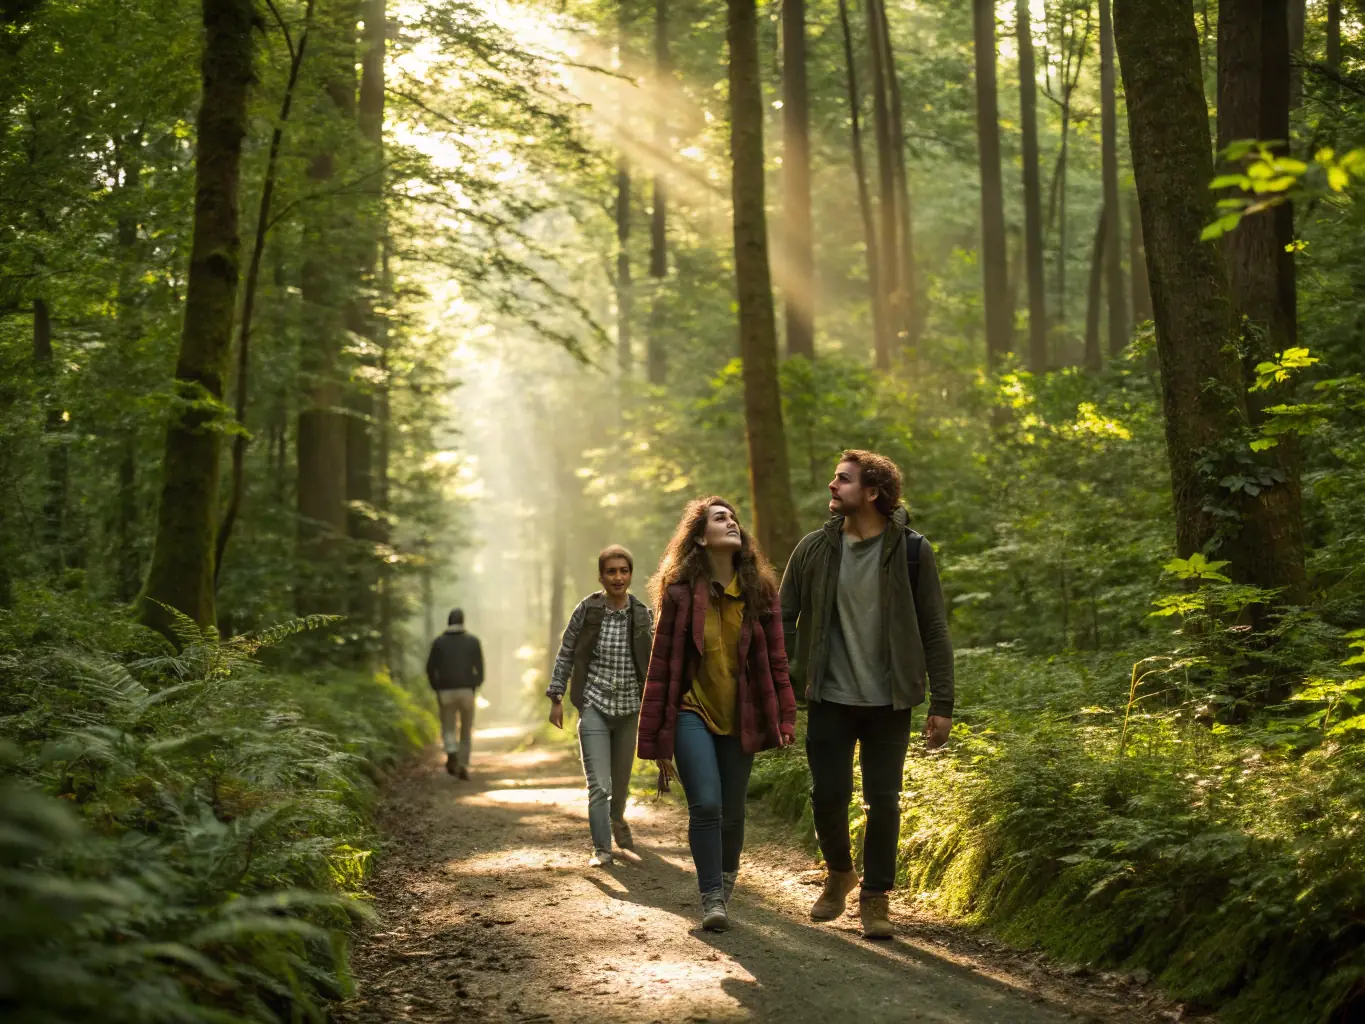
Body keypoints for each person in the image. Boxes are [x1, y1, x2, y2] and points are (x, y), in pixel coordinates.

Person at [779, 450, 955, 940]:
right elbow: (781, 620)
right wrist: (782, 688)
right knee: (828, 796)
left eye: (843, 480)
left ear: (873, 492)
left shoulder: (913, 552)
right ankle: (840, 873)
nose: (832, 487)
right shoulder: (813, 549)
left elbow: (934, 629)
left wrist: (943, 703)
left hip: (889, 700)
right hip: (829, 696)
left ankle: (876, 898)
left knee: (884, 800)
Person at [638, 497, 796, 933]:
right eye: (720, 519)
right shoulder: (679, 593)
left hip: (740, 712)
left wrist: (784, 717)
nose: (732, 524)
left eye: (734, 518)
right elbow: (661, 665)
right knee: (706, 803)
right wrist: (653, 735)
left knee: (732, 812)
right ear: (700, 536)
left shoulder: (760, 593)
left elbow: (777, 662)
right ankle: (711, 895)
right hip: (692, 709)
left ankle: (726, 878)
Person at [546, 545, 655, 867]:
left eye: (623, 571)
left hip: (630, 709)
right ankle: (601, 849)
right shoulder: (588, 610)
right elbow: (566, 652)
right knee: (599, 786)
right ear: (601, 576)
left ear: (630, 574)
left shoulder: (642, 614)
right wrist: (556, 698)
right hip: (594, 703)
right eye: (611, 571)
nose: (618, 577)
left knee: (620, 786)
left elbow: (654, 663)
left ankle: (618, 819)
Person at [425, 608, 485, 779]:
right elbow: (480, 669)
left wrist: (436, 687)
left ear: (448, 622)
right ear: (463, 621)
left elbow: (430, 668)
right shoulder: (473, 641)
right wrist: (474, 686)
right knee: (466, 730)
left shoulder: (438, 642)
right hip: (467, 691)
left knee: (448, 726)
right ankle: (463, 764)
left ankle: (451, 751)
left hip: (445, 691)